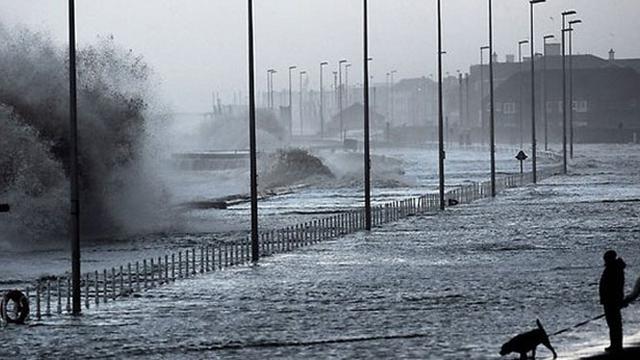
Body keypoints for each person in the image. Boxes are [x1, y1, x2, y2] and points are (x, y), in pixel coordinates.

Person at [599, 250, 626, 353]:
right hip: (610, 300)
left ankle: (617, 345)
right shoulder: (614, 268)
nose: (604, 260)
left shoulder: (613, 269)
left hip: (611, 300)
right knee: (613, 324)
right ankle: (615, 344)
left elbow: (617, 286)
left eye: (606, 258)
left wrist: (618, 299)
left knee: (614, 324)